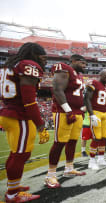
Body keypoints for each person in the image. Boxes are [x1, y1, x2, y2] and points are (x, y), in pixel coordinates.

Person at [0, 42, 49, 202]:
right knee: (21, 155)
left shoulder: (11, 65)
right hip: (19, 116)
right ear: (34, 55)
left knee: (17, 154)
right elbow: (29, 101)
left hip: (8, 112)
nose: (45, 62)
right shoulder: (29, 65)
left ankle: (13, 187)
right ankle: (12, 195)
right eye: (43, 58)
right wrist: (41, 125)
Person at [45, 54, 87, 189]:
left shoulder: (78, 75)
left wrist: (81, 110)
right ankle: (50, 174)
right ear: (73, 61)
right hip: (64, 112)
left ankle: (69, 168)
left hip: (77, 112)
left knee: (73, 141)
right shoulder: (64, 68)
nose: (84, 65)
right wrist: (68, 110)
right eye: (82, 63)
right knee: (59, 142)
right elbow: (57, 89)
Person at [85, 69, 106, 170]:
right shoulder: (94, 83)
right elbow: (87, 98)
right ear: (100, 75)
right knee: (96, 137)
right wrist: (91, 114)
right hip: (96, 112)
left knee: (103, 137)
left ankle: (101, 159)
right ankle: (91, 161)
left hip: (104, 114)